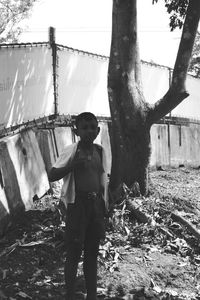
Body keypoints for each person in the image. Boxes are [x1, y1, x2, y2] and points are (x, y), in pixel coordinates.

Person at [48, 112, 108, 300]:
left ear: (98, 131)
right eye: (84, 127)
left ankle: (92, 295)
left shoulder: (100, 151)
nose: (89, 131)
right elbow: (52, 175)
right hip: (77, 206)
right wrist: (72, 166)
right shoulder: (72, 151)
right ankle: (70, 295)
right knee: (74, 252)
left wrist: (106, 204)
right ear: (76, 131)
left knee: (92, 252)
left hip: (96, 206)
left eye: (92, 127)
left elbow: (103, 178)